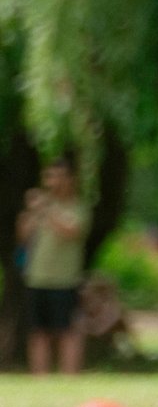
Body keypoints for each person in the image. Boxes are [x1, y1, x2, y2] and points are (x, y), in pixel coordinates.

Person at [18, 159, 90, 376]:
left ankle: (69, 376)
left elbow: (71, 232)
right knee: (37, 331)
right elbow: (23, 237)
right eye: (49, 176)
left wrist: (46, 209)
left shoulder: (78, 207)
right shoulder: (40, 208)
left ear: (70, 180)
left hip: (64, 279)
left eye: (58, 176)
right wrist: (30, 214)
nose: (53, 182)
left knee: (67, 330)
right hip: (37, 278)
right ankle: (40, 376)